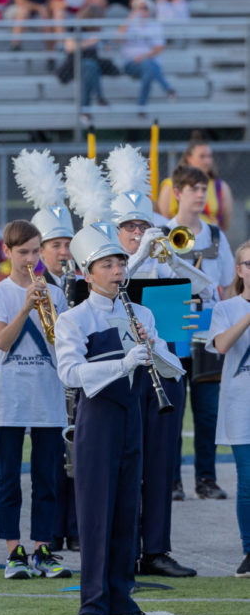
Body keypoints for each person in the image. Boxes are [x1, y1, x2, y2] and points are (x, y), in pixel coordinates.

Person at [56, 155, 180, 615]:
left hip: (134, 417)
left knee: (129, 509)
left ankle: (123, 602)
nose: (117, 270)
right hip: (97, 421)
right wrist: (123, 362)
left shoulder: (140, 313)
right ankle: (92, 605)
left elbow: (165, 361)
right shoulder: (75, 319)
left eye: (121, 262)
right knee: (96, 512)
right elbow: (70, 373)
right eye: (108, 264)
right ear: (88, 273)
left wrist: (162, 358)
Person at [107, 145, 207, 578]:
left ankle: (158, 549)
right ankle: (125, 549)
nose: (137, 232)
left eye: (143, 225)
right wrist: (141, 255)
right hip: (126, 374)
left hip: (167, 369)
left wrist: (172, 256)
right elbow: (114, 289)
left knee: (163, 460)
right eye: (129, 227)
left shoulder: (165, 263)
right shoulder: (106, 264)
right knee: (129, 462)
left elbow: (206, 288)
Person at [0, 219, 71, 580]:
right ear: (7, 252)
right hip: (11, 397)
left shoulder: (56, 293)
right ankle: (13, 551)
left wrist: (48, 304)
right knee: (8, 478)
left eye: (35, 252)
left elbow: (61, 344)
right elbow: (2, 343)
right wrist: (26, 308)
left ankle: (43, 549)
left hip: (47, 395)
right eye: (23, 253)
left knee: (47, 477)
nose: (30, 260)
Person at [13, 148, 79, 552]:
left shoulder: (76, 278)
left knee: (77, 456)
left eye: (67, 243)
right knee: (51, 461)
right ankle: (49, 533)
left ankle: (74, 527)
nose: (62, 251)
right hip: (39, 377)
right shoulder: (33, 281)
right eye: (54, 244)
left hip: (73, 376)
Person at [168, 163, 235, 501]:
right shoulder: (161, 232)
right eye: (193, 188)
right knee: (173, 408)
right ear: (178, 192)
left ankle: (206, 479)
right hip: (174, 327)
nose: (199, 194)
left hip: (207, 328)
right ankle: (172, 480)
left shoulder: (216, 235)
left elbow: (226, 284)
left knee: (207, 411)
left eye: (203, 188)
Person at [206, 240, 250, 577]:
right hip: (241, 407)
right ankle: (249, 549)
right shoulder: (226, 309)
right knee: (248, 481)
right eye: (248, 264)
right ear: (239, 270)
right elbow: (221, 345)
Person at [156, 131, 234, 230]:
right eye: (202, 156)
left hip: (210, 241)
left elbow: (225, 224)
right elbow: (163, 221)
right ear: (189, 158)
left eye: (209, 156)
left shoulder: (221, 186)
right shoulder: (170, 185)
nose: (207, 161)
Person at [119, 0, 176, 107]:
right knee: (149, 66)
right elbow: (118, 38)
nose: (142, 11)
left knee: (148, 68)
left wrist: (143, 57)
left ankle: (141, 106)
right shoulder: (129, 25)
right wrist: (129, 19)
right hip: (131, 64)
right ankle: (168, 88)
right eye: (139, 8)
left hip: (148, 63)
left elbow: (159, 48)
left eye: (145, 8)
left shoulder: (155, 26)